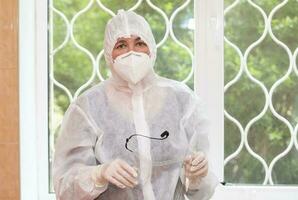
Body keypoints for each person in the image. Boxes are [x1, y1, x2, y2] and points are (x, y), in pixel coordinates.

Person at [53, 9, 218, 200]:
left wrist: (197, 175)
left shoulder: (183, 102)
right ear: (108, 53)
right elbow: (64, 190)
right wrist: (99, 174)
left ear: (151, 48)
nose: (131, 52)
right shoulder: (87, 108)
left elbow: (203, 192)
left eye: (139, 43)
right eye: (122, 45)